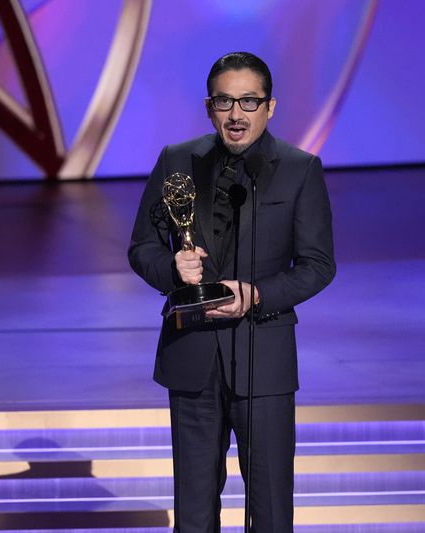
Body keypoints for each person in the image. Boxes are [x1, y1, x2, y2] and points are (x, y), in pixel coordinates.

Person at [128, 51, 335, 532]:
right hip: (192, 354)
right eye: (224, 101)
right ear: (209, 107)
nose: (236, 114)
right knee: (194, 511)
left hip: (263, 356)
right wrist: (173, 269)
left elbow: (318, 265)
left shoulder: (299, 169)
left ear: (270, 106)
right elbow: (142, 248)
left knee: (268, 509)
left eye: (248, 101)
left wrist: (257, 294)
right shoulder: (176, 161)